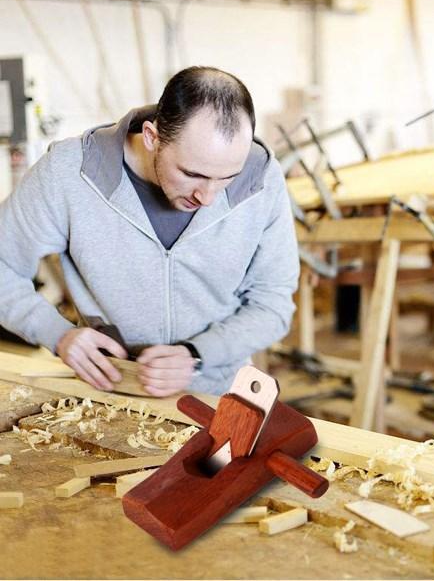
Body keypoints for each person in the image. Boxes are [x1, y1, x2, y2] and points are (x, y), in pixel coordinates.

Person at [0, 66, 299, 396]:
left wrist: (198, 354)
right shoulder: (70, 172)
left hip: (218, 394)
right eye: (192, 174)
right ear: (152, 137)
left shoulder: (261, 179)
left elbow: (272, 303)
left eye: (227, 178)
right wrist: (56, 334)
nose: (208, 197)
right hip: (107, 391)